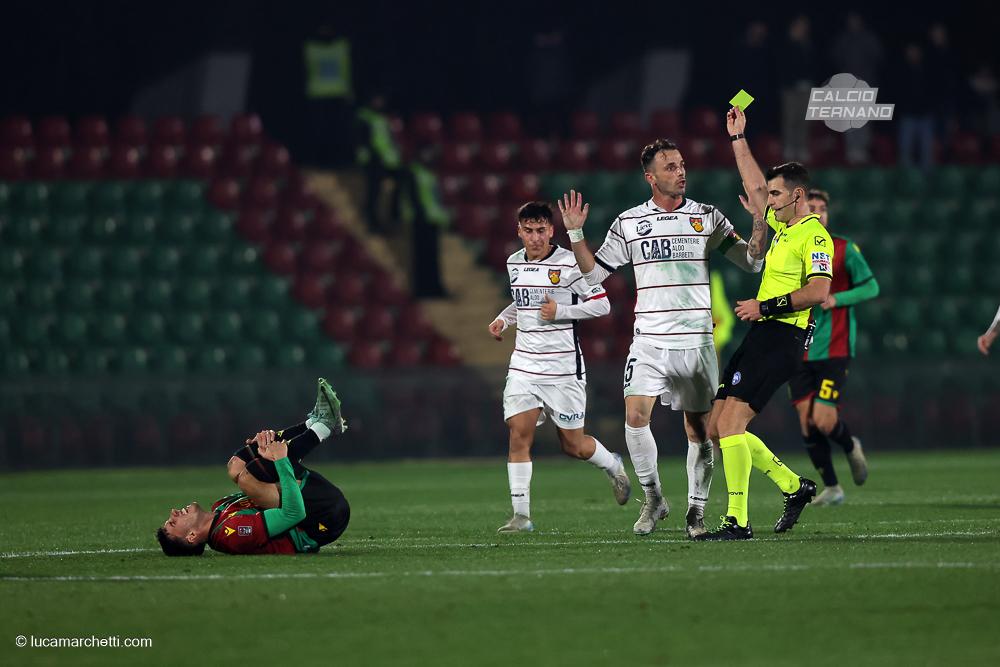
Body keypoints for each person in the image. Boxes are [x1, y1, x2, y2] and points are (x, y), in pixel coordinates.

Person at [560, 138, 767, 538]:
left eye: (682, 164)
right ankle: (654, 498)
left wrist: (758, 221)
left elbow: (751, 261)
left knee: (700, 431)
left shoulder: (706, 218)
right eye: (670, 166)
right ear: (650, 177)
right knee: (635, 419)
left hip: (697, 341)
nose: (681, 172)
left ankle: (696, 512)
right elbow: (594, 274)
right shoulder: (630, 222)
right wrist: (575, 234)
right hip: (650, 341)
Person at [696, 106, 829, 541]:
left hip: (783, 335)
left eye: (775, 195)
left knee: (731, 427)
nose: (766, 201)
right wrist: (738, 139)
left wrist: (764, 305)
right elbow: (753, 186)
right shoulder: (784, 226)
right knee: (717, 429)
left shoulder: (814, 235)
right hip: (763, 333)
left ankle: (736, 520)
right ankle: (794, 487)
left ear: (797, 195)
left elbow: (818, 292)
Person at [489, 201, 628, 533]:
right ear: (519, 232)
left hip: (563, 368)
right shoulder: (513, 263)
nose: (535, 238)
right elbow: (524, 303)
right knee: (518, 433)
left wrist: (562, 312)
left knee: (573, 445)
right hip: (524, 365)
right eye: (529, 231)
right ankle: (521, 516)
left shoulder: (569, 263)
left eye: (541, 230)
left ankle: (613, 465)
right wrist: (503, 320)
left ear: (551, 230)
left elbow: (602, 304)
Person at [156, 378, 350, 556]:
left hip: (311, 502)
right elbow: (293, 513)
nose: (174, 511)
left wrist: (259, 448)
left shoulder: (221, 507)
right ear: (191, 536)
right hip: (323, 519)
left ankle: (312, 424)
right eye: (173, 522)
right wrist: (280, 460)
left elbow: (268, 486)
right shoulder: (230, 536)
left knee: (236, 467)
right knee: (250, 475)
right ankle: (324, 426)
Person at [789, 190, 879, 506]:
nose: (819, 214)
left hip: (834, 348)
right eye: (811, 208)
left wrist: (837, 298)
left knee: (824, 421)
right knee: (805, 421)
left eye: (823, 209)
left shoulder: (843, 248)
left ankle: (850, 444)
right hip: (799, 348)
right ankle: (833, 487)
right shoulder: (790, 245)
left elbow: (871, 286)